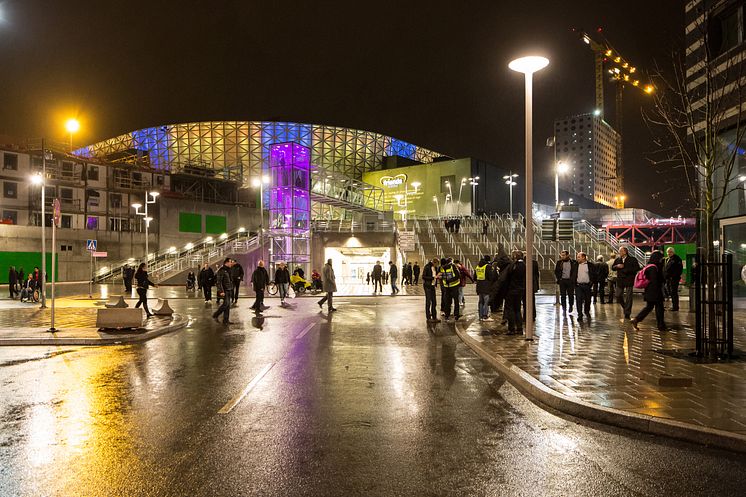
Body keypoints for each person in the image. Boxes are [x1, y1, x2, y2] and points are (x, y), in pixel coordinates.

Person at [631, 250, 667, 331]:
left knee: (649, 307)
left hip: (650, 291)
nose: (661, 260)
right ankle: (661, 326)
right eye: (660, 258)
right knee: (659, 308)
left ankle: (636, 319)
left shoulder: (650, 266)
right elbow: (654, 280)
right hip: (655, 291)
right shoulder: (653, 268)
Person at [502, 250, 526, 335]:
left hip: (512, 290)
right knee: (518, 309)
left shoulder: (513, 266)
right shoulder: (524, 265)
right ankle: (519, 328)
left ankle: (511, 328)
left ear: (515, 256)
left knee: (510, 310)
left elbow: (507, 277)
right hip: (520, 290)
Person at [613, 247, 640, 320]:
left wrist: (626, 270)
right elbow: (613, 267)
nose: (619, 252)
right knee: (618, 295)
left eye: (621, 251)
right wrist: (617, 266)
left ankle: (627, 313)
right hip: (620, 280)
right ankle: (625, 307)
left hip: (629, 280)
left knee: (629, 297)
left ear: (625, 252)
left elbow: (637, 268)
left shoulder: (632, 259)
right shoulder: (618, 259)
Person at [574, 252, 597, 321]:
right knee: (578, 300)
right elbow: (573, 274)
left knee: (588, 300)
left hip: (587, 286)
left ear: (583, 257)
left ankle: (586, 311)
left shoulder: (591, 265)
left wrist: (591, 283)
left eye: (579, 257)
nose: (577, 258)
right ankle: (580, 314)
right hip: (578, 286)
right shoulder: (575, 265)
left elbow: (594, 275)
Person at [212, 258, 235, 325]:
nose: (231, 263)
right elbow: (218, 282)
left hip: (229, 289)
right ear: (226, 263)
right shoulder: (221, 270)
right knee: (226, 304)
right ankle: (216, 314)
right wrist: (221, 291)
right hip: (225, 290)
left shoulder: (228, 270)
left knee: (227, 306)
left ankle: (226, 320)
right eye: (230, 262)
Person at [474, 255, 496, 323]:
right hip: (486, 287)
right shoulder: (488, 267)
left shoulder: (477, 266)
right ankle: (485, 316)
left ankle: (480, 316)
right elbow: (491, 277)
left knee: (481, 302)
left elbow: (474, 277)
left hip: (479, 286)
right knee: (486, 302)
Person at [663, 247, 684, 311]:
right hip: (669, 279)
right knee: (671, 292)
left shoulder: (676, 259)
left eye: (670, 252)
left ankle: (675, 307)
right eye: (668, 252)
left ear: (673, 252)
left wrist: (673, 276)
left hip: (673, 279)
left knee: (673, 292)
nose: (668, 253)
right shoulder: (668, 259)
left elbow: (679, 269)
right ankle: (674, 305)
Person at [423, 257, 440, 323]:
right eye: (437, 264)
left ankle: (434, 316)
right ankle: (428, 317)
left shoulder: (435, 268)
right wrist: (433, 277)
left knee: (434, 301)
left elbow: (436, 275)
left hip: (433, 286)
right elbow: (424, 277)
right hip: (427, 286)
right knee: (428, 301)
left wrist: (438, 276)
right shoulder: (427, 267)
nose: (437, 266)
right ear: (434, 262)